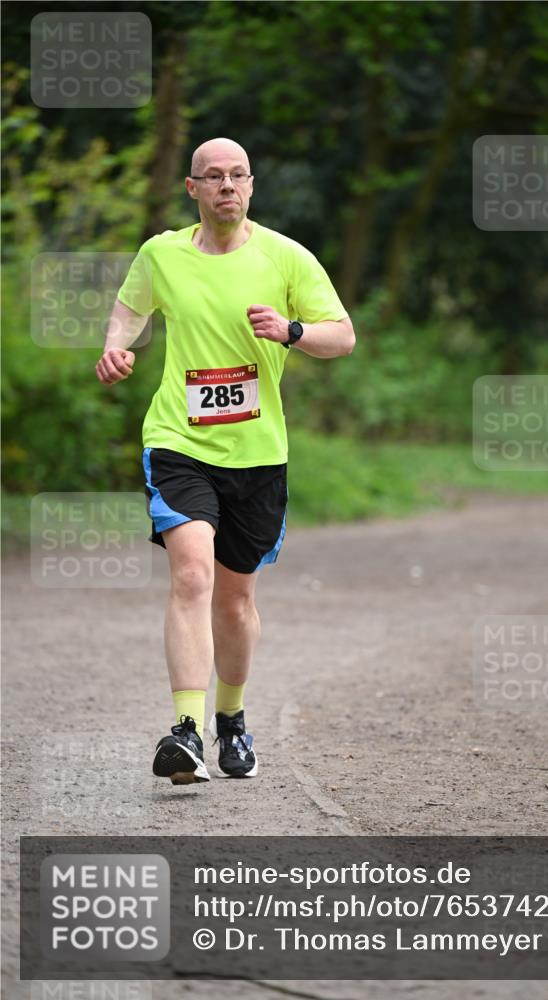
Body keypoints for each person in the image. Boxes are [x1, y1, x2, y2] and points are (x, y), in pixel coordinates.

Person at [95, 137, 354, 786]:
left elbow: (340, 335)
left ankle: (231, 719)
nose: (226, 186)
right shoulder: (162, 253)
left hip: (258, 453)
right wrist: (116, 347)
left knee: (235, 602)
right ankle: (185, 731)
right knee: (190, 577)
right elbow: (130, 305)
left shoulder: (285, 257)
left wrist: (291, 332)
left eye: (237, 176)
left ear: (252, 185)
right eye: (212, 177)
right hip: (179, 441)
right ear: (193, 189)